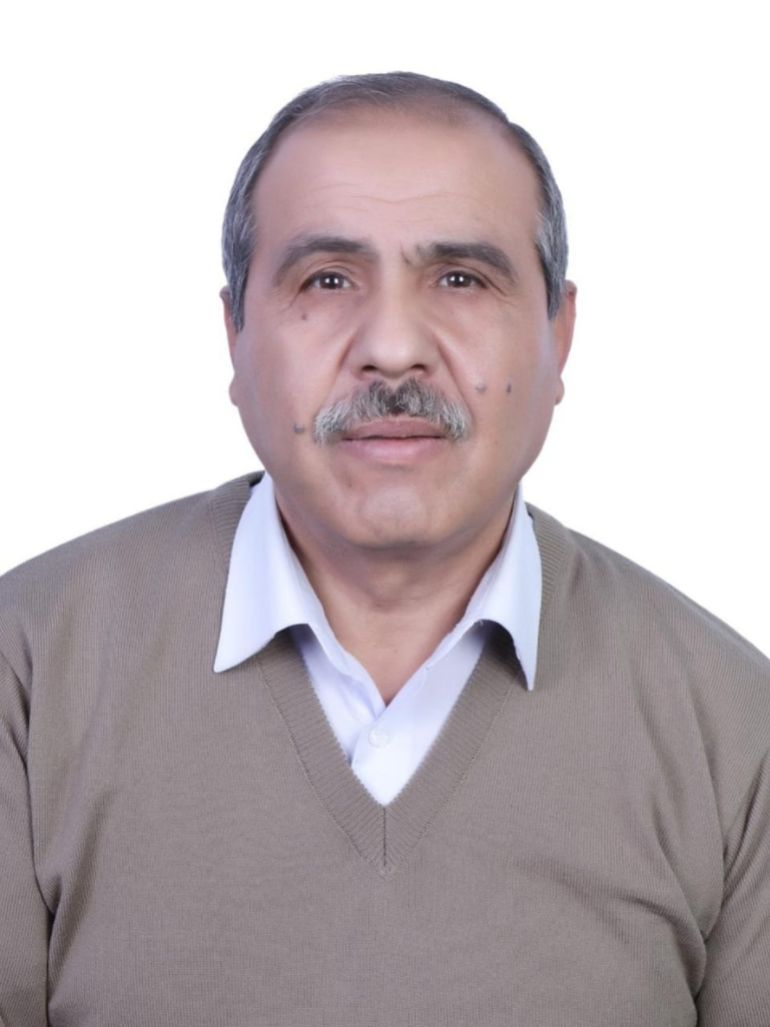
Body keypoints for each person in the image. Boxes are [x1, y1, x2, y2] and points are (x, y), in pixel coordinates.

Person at [1, 72, 769, 1027]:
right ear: (234, 334)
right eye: (327, 279)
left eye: (461, 278)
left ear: (559, 334)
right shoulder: (26, 670)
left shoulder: (737, 727)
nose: (395, 346)